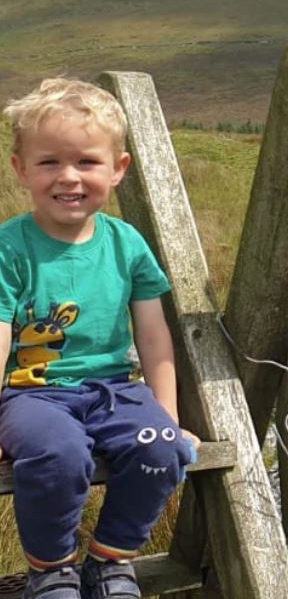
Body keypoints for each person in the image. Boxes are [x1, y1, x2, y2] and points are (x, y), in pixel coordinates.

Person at [0, 78, 199, 599]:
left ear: (118, 169)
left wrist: (169, 418)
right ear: (22, 169)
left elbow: (154, 338)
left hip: (115, 391)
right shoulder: (10, 247)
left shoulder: (125, 243)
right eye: (49, 163)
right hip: (32, 394)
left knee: (161, 449)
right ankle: (52, 568)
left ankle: (111, 559)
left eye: (86, 162)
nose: (69, 177)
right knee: (58, 453)